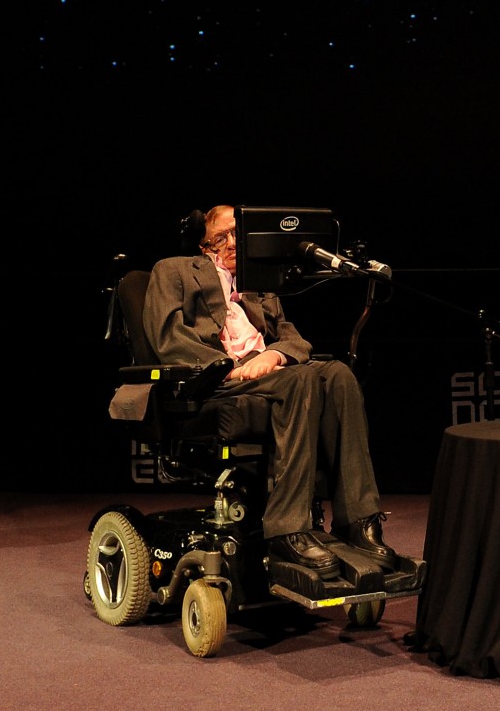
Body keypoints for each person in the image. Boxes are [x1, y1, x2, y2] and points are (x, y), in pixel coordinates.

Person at [142, 204, 394, 578]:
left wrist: (274, 354)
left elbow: (293, 338)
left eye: (237, 236)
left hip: (269, 372)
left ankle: (357, 520)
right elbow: (168, 339)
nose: (231, 244)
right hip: (217, 381)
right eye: (220, 237)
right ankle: (288, 528)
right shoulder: (174, 269)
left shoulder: (257, 282)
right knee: (304, 379)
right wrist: (231, 367)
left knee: (338, 374)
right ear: (202, 245)